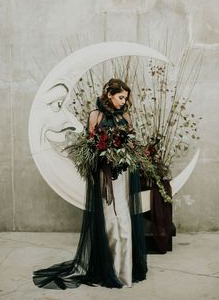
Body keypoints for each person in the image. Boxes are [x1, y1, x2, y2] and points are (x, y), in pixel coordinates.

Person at [32, 78, 148, 290]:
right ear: (109, 94)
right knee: (109, 221)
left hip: (121, 175)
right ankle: (109, 269)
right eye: (120, 97)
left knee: (123, 220)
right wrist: (104, 155)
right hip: (104, 175)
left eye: (126, 98)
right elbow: (92, 144)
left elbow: (131, 143)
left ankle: (125, 271)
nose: (123, 102)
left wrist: (123, 153)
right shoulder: (95, 115)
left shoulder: (126, 117)